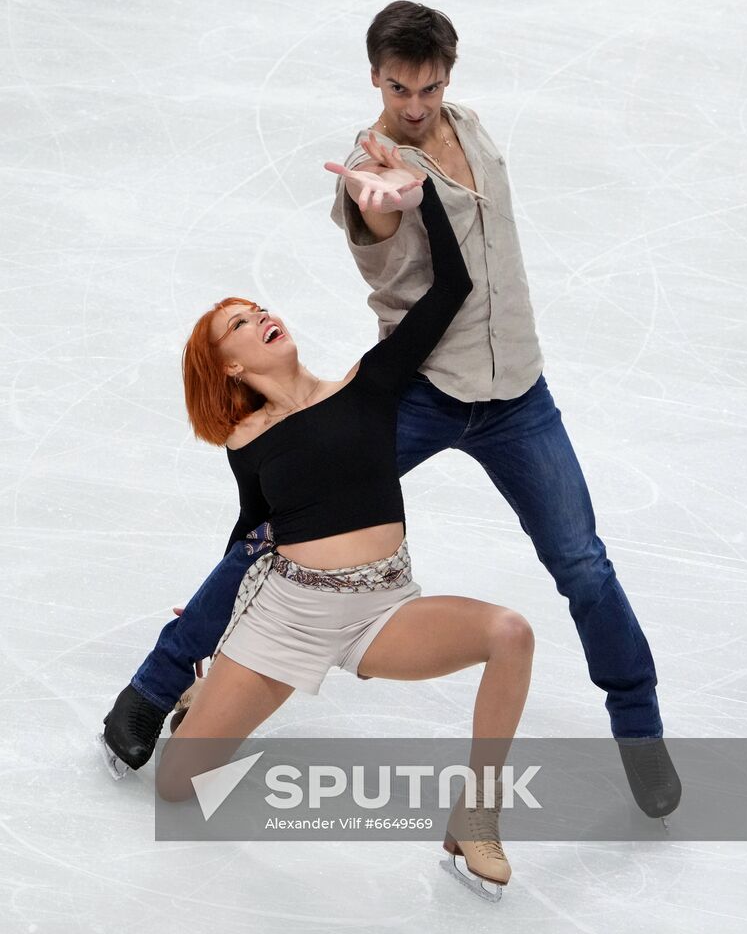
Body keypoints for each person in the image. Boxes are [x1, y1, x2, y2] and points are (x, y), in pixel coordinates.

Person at [101, 1, 680, 823]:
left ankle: (640, 730)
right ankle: (156, 686)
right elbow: (374, 211)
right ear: (376, 76)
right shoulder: (369, 163)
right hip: (421, 394)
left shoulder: (470, 128)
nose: (416, 105)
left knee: (582, 563)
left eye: (431, 87)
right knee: (280, 528)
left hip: (520, 397)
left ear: (449, 75)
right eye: (400, 87)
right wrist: (385, 200)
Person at [126, 175, 529, 900]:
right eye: (241, 325)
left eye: (260, 309)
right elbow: (250, 533)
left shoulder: (369, 384)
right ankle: (200, 693)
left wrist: (420, 201)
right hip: (285, 618)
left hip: (383, 608)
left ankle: (477, 814)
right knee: (178, 785)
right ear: (232, 365)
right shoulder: (246, 438)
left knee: (509, 633)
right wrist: (202, 626)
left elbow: (454, 287)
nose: (262, 318)